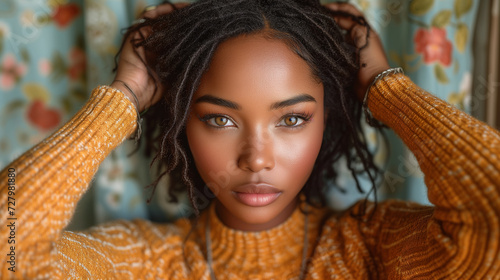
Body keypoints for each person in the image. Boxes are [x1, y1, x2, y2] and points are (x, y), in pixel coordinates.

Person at [1, 0, 499, 279]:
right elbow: (8, 253)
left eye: (292, 120)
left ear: (329, 117)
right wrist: (122, 99)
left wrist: (382, 87)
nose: (256, 159)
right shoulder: (148, 263)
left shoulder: (375, 248)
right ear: (180, 125)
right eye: (220, 120)